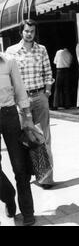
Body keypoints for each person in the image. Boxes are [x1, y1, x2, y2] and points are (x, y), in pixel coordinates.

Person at [6, 19, 55, 189]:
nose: (29, 34)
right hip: (21, 102)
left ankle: (46, 178)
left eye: (32, 31)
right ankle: (27, 176)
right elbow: (9, 78)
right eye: (26, 31)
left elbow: (48, 73)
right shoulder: (11, 52)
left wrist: (47, 93)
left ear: (35, 32)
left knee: (44, 138)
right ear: (21, 32)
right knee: (24, 140)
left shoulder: (41, 50)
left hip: (39, 97)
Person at [0, 52, 36, 226]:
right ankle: (8, 195)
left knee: (19, 165)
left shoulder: (9, 61)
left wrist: (27, 114)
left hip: (9, 115)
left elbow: (20, 89)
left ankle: (28, 211)